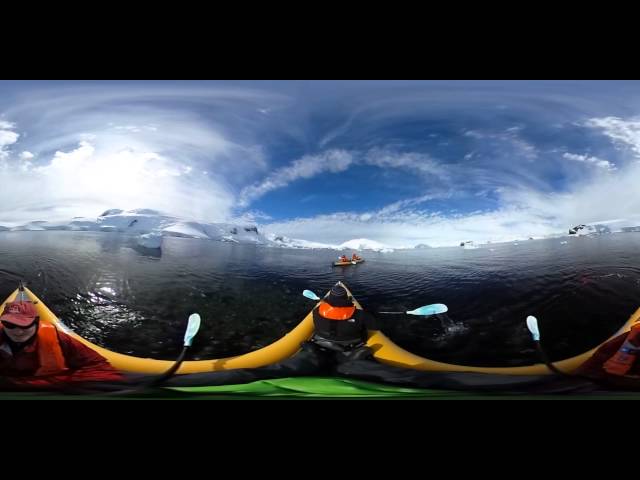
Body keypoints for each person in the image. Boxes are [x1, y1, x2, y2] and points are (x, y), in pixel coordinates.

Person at [0, 300, 123, 391]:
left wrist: (21, 384)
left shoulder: (61, 340)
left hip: (44, 385)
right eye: (9, 325)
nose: (17, 331)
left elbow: (99, 366)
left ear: (36, 324)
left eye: (25, 325)